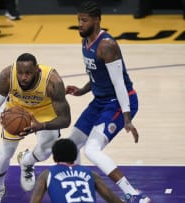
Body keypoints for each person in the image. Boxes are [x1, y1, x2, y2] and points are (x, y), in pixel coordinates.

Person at [65, 1, 151, 203]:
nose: (80, 24)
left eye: (84, 20)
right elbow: (95, 75)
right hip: (100, 100)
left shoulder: (107, 46)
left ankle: (133, 194)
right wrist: (81, 91)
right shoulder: (85, 42)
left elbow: (119, 84)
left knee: (92, 150)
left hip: (120, 102)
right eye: (78, 20)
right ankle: (79, 189)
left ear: (97, 20)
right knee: (71, 145)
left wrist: (127, 118)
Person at [0, 53, 71, 202]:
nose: (23, 77)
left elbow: (65, 119)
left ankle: (27, 161)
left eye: (28, 73)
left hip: (44, 110)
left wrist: (41, 125)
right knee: (6, 152)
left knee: (46, 151)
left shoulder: (52, 81)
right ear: (15, 69)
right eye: (20, 73)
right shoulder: (6, 75)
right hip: (16, 110)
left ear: (37, 70)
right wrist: (4, 114)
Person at [30, 138, 125, 203]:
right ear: (75, 156)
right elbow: (111, 198)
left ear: (54, 158)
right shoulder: (91, 173)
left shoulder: (47, 174)